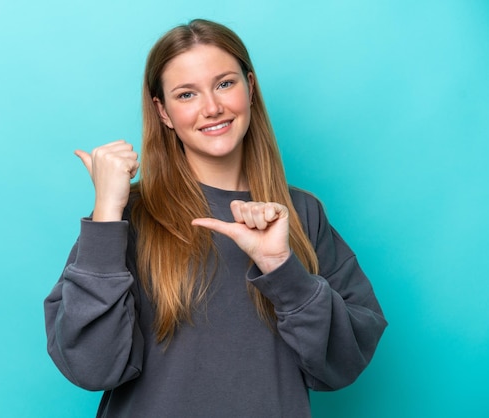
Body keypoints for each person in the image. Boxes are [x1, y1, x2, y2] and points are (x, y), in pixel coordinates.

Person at [44, 18, 387, 418]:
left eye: (224, 83)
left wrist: (280, 268)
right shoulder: (127, 217)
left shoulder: (301, 215)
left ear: (251, 88)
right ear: (164, 112)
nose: (212, 108)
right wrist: (106, 215)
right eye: (186, 94)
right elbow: (91, 366)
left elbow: (344, 362)